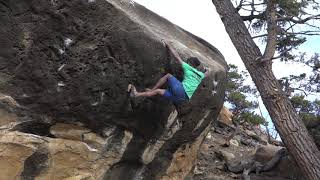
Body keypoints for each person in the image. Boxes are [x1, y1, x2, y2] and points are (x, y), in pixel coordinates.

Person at [128, 40, 210, 104]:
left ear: (190, 64)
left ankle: (151, 90)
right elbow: (207, 73)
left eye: (188, 62)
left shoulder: (188, 67)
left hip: (180, 90)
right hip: (182, 99)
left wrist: (168, 44)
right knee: (158, 92)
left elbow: (177, 56)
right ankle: (136, 94)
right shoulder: (201, 75)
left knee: (168, 76)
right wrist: (208, 69)